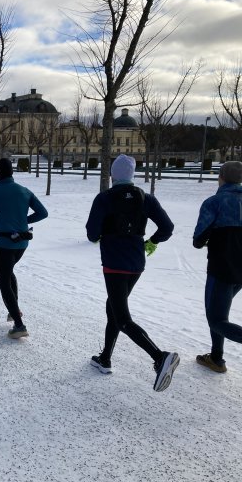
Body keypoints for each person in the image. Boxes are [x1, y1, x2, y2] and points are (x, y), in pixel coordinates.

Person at [86, 154, 179, 392]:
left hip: (113, 263)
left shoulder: (104, 198)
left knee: (122, 318)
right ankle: (105, 358)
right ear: (133, 175)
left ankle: (160, 357)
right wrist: (151, 241)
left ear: (112, 175)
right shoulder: (146, 198)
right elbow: (167, 228)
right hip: (136, 262)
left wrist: (101, 235)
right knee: (114, 308)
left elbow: (91, 233)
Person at [193, 161, 242, 379]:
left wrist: (209, 240)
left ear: (222, 177)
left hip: (220, 267)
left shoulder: (214, 202)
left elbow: (199, 239)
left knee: (217, 320)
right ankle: (216, 358)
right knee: (219, 314)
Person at [0, 158, 48, 339]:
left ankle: (19, 324)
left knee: (3, 280)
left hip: (4, 243)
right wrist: (24, 220)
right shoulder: (24, 191)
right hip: (22, 243)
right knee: (9, 272)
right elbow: (43, 213)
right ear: (12, 172)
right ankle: (14, 310)